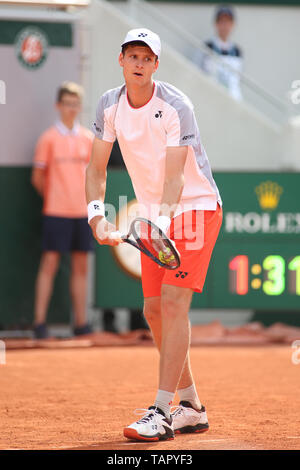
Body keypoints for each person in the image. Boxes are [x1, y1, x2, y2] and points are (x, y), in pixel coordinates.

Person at [86, 28, 222, 441]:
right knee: (153, 310)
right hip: (155, 215)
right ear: (121, 60)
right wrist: (96, 217)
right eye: (133, 56)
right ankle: (191, 407)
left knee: (174, 302)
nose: (140, 63)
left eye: (147, 58)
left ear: (156, 64)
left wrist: (161, 220)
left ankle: (161, 411)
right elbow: (95, 169)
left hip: (194, 209)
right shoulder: (109, 104)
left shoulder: (176, 105)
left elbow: (176, 177)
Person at [31, 81, 94, 339]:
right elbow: (37, 178)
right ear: (59, 106)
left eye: (75, 103)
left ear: (79, 107)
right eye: (67, 103)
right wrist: (56, 198)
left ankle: (80, 324)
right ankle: (39, 323)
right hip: (56, 212)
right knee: (50, 264)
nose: (71, 108)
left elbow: (95, 177)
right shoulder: (48, 138)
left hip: (82, 214)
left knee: (81, 268)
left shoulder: (89, 139)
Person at [198, 5, 243, 101]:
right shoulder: (208, 47)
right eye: (222, 21)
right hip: (212, 98)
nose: (225, 26)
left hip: (233, 99)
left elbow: (236, 81)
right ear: (216, 24)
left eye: (227, 22)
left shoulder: (237, 51)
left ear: (232, 24)